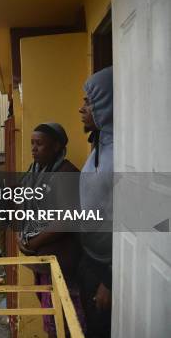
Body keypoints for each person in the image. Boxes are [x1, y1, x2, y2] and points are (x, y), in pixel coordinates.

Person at [18, 122, 85, 337]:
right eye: (32, 144)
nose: (34, 149)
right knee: (50, 315)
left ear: (57, 147)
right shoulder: (37, 172)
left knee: (65, 318)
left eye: (40, 144)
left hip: (62, 261)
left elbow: (67, 220)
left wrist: (33, 242)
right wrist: (24, 236)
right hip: (43, 261)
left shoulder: (66, 173)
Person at [77, 67, 113, 337]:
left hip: (108, 268)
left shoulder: (127, 154)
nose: (81, 109)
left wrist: (111, 281)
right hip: (89, 258)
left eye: (88, 102)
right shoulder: (100, 145)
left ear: (107, 104)